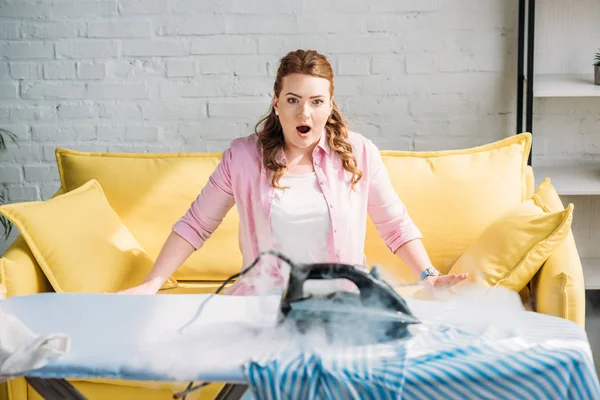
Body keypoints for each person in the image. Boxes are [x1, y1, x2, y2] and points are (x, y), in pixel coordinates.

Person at [118, 49, 467, 295]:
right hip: (265, 305)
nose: (305, 113)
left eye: (316, 101)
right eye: (293, 99)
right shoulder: (241, 157)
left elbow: (395, 225)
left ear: (330, 106)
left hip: (342, 303)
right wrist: (152, 283)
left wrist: (429, 275)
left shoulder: (360, 153)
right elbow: (195, 224)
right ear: (276, 102)